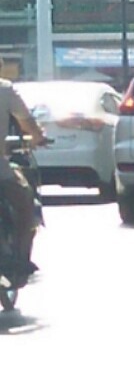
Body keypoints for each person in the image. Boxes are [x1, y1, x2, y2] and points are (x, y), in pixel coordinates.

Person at [0, 79, 46, 280]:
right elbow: (27, 123)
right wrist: (38, 137)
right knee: (26, 204)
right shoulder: (4, 89)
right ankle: (20, 259)